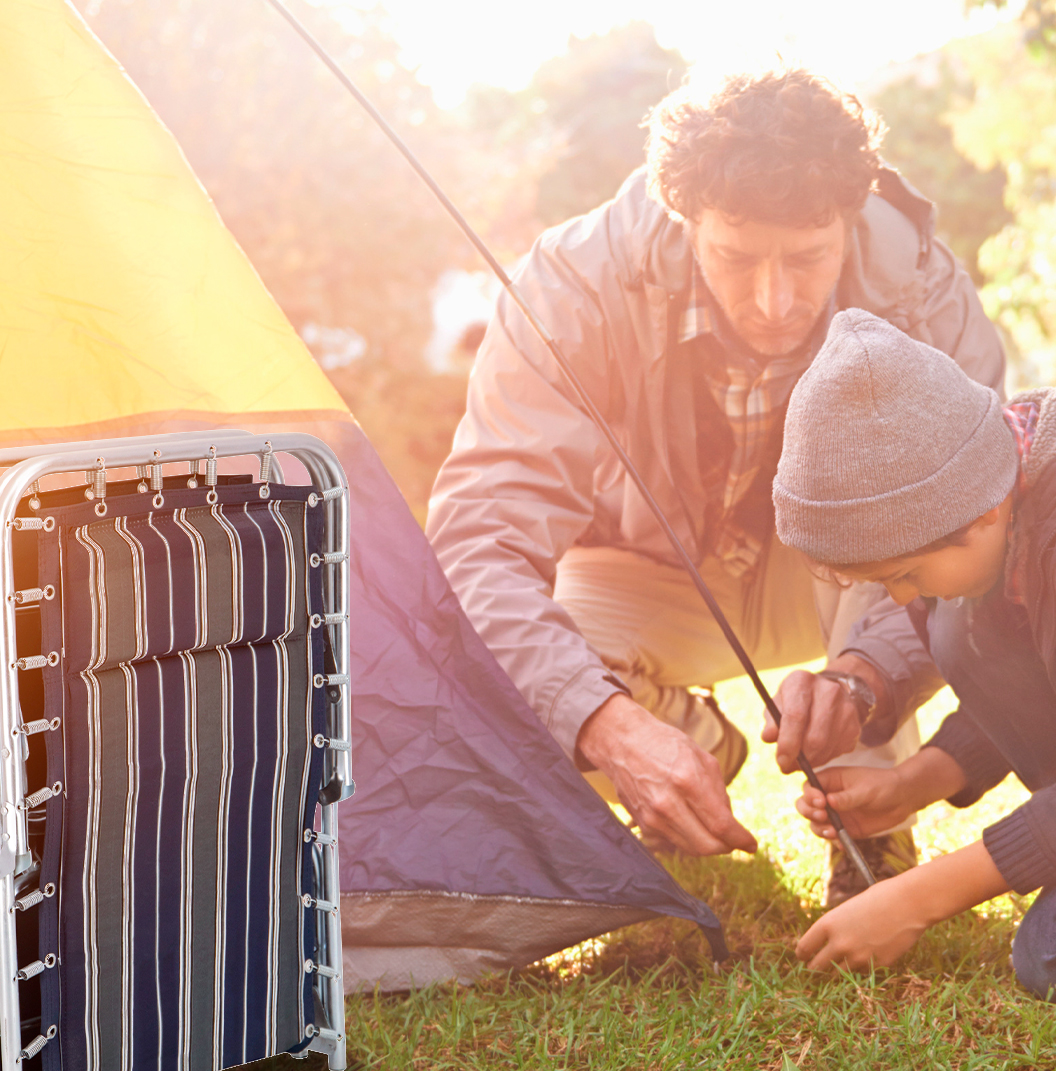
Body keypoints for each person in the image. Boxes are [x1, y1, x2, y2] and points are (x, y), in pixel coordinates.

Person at [426, 65, 1006, 904]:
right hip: (651, 571)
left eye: (807, 258)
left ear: (848, 218)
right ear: (683, 215)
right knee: (516, 666)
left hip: (840, 578)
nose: (773, 301)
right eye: (737, 257)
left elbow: (978, 522)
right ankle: (690, 741)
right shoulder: (570, 283)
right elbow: (479, 542)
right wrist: (608, 724)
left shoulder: (922, 290)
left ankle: (868, 823)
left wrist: (866, 674)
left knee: (902, 523)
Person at [772, 307, 1056, 996]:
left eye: (905, 574)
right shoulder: (1007, 499)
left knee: (1043, 961)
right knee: (957, 629)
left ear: (982, 510)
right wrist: (911, 784)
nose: (901, 600)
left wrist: (918, 898)